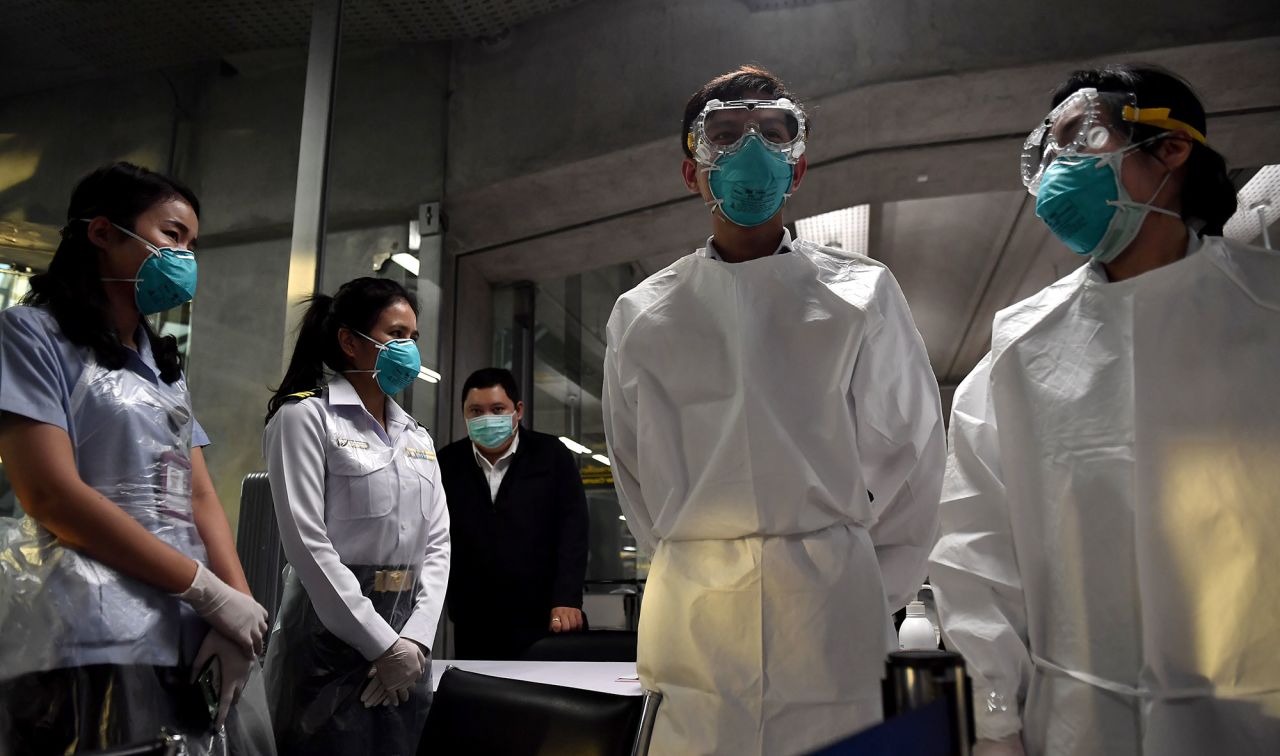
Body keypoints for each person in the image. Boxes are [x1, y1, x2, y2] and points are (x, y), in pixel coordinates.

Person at [929, 64, 1280, 756]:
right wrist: (995, 722)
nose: (1059, 165)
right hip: (1080, 725)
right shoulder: (1020, 348)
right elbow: (975, 556)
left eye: (1080, 138)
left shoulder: (1267, 310)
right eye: (1048, 151)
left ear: (1172, 147)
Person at [602, 66, 945, 754]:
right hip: (695, 605)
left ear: (798, 165)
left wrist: (865, 582)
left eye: (771, 133)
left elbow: (915, 460)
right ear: (691, 168)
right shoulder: (644, 314)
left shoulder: (860, 294)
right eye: (724, 135)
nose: (749, 150)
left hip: (833, 603)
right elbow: (634, 475)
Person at [0, 162, 273, 754]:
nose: (186, 255)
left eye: (193, 244)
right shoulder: (32, 336)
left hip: (182, 632)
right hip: (90, 632)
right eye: (173, 235)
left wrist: (238, 608)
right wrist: (207, 590)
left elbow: (198, 496)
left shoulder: (162, 369)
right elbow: (49, 494)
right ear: (102, 232)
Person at [262, 277, 450, 756]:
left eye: (413, 336)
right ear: (350, 341)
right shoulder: (306, 418)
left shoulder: (417, 437)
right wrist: (380, 644)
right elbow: (307, 544)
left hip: (409, 638)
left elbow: (437, 544)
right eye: (395, 335)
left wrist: (416, 642)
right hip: (328, 635)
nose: (408, 349)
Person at [437, 367, 589, 659]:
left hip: (545, 617)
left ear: (517, 410)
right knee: (480, 700)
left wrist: (568, 598)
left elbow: (573, 530)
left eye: (497, 409)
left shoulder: (551, 455)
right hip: (474, 620)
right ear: (464, 414)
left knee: (544, 698)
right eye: (476, 411)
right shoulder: (447, 463)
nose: (487, 419)